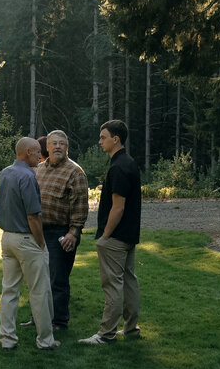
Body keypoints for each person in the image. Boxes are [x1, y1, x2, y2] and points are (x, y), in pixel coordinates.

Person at [80, 119, 143, 345]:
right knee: (128, 281)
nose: (100, 141)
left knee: (113, 284)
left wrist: (105, 235)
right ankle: (131, 329)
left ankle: (106, 334)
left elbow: (119, 206)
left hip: (115, 237)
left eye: (103, 137)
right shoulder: (129, 162)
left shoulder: (118, 167)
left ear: (115, 139)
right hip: (128, 235)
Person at [0, 137, 58, 351]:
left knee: (9, 290)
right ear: (29, 152)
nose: (41, 156)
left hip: (7, 238)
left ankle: (7, 339)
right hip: (26, 239)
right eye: (38, 152)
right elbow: (33, 216)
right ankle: (45, 340)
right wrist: (40, 243)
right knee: (39, 291)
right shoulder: (29, 176)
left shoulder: (4, 173)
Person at [25, 129, 88, 331]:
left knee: (57, 280)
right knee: (37, 279)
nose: (58, 146)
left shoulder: (75, 172)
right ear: (48, 147)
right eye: (54, 143)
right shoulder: (39, 170)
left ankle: (59, 321)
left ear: (67, 147)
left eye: (62, 143)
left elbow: (80, 206)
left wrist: (74, 233)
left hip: (61, 233)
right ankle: (38, 318)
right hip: (37, 231)